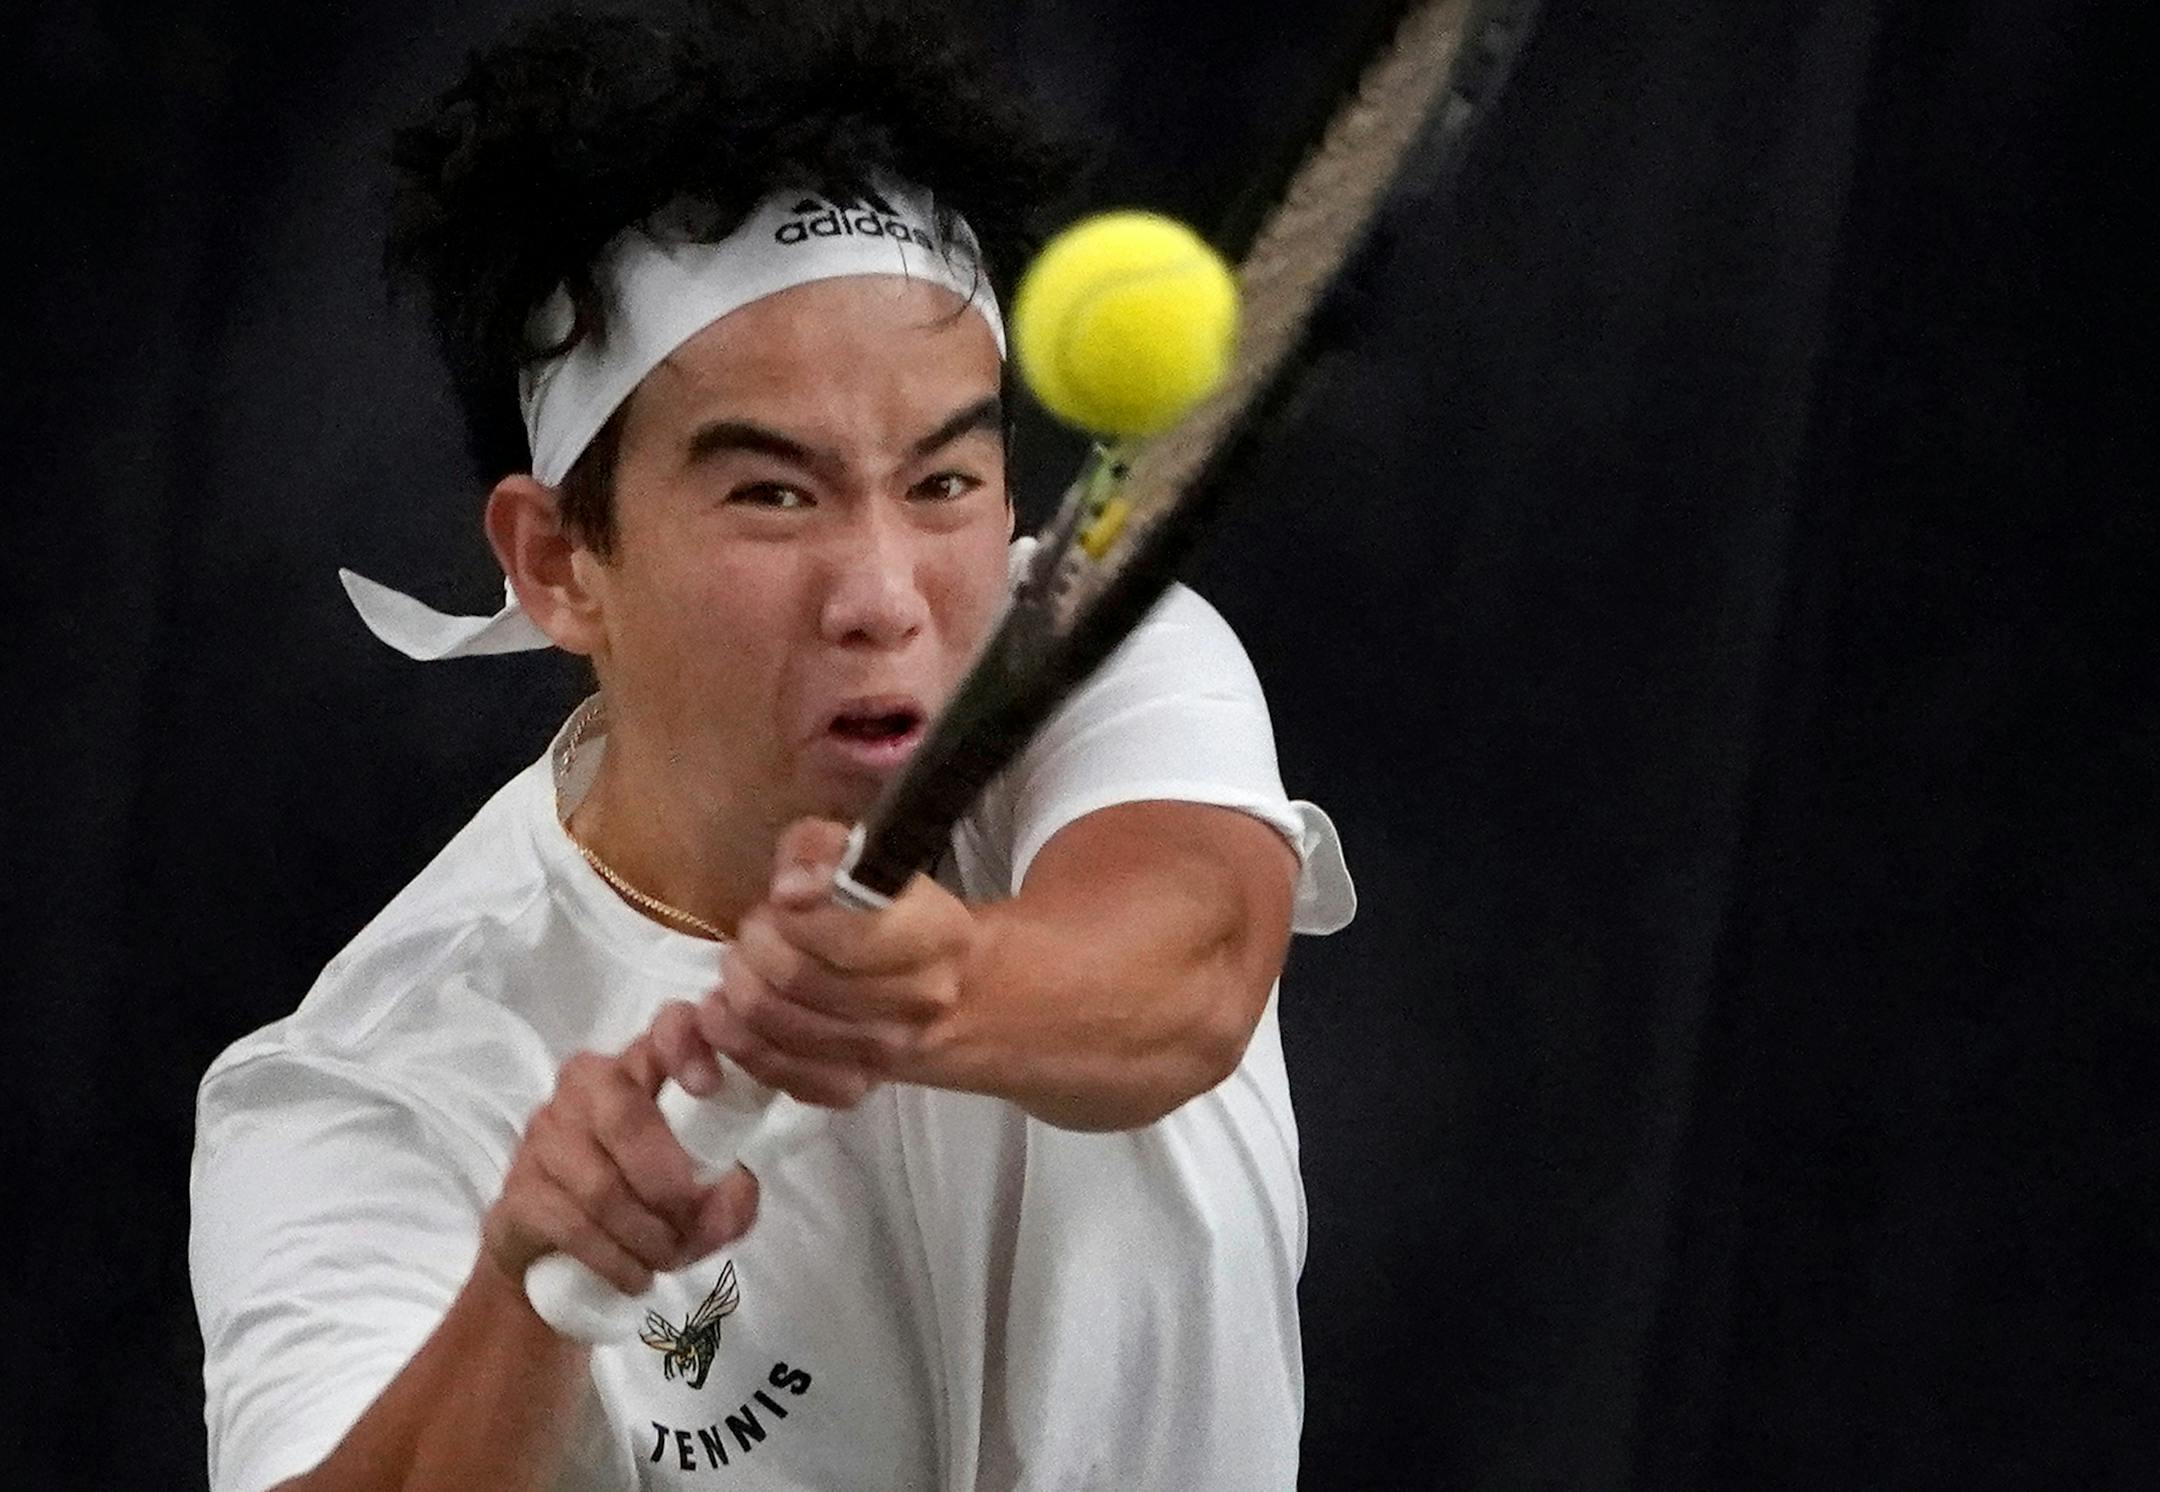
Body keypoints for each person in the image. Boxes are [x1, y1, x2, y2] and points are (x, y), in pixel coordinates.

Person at [189, 3, 1354, 1488]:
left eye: (942, 481)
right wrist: (533, 1288)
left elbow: (1185, 973)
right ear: (558, 564)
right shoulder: (368, 1088)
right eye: (774, 498)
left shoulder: (1100, 654)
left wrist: (933, 993)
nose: (882, 597)